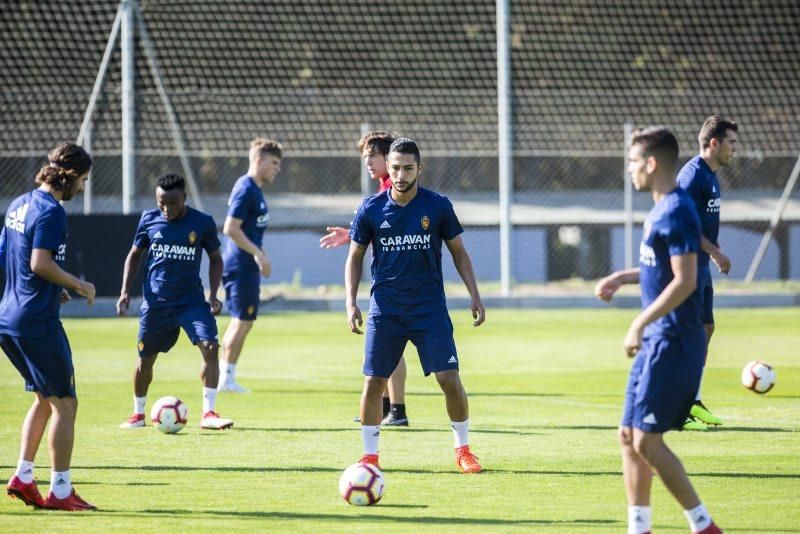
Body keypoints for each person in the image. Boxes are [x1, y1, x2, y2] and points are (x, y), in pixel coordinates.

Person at [595, 127, 722, 534]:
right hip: (657, 341)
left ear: (651, 164)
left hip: (673, 342)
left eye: (633, 162)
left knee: (648, 441)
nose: (629, 170)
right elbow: (660, 270)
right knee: (627, 436)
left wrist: (638, 321)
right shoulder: (660, 208)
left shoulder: (677, 210)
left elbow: (684, 281)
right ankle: (640, 527)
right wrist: (622, 276)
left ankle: (703, 525)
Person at [345, 137, 486, 473]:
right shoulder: (371, 209)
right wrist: (350, 302)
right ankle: (369, 457)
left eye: (408, 168)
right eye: (395, 167)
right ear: (388, 169)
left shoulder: (437, 206)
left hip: (429, 309)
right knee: (373, 381)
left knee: (449, 378)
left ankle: (463, 450)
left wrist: (475, 295)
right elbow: (354, 257)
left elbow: (459, 253)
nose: (401, 174)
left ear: (419, 169)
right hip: (386, 310)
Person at [2, 143, 98, 511]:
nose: (84, 187)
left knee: (44, 399)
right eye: (85, 180)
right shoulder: (52, 211)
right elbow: (39, 262)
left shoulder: (18, 204)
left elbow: (8, 256)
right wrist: (77, 283)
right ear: (71, 176)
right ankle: (60, 491)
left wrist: (49, 289)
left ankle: (24, 477)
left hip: (9, 319)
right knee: (66, 404)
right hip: (35, 323)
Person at [117, 173, 232, 430]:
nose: (166, 209)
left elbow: (216, 258)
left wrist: (214, 294)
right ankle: (137, 414)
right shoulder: (148, 219)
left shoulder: (202, 222)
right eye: (161, 203)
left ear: (184, 198)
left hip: (191, 301)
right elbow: (134, 255)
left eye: (172, 203)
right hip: (156, 303)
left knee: (211, 347)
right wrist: (125, 291)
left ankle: (209, 413)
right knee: (145, 359)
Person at [321, 131, 411, 426]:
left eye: (374, 156)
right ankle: (385, 407)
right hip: (384, 280)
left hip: (398, 281)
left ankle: (397, 410)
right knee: (385, 345)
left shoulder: (396, 190)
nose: (369, 162)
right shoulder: (380, 191)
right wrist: (350, 235)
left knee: (391, 345)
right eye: (365, 157)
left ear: (390, 158)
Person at [676, 116, 738, 431]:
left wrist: (713, 251)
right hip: (686, 264)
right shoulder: (692, 176)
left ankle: (692, 400)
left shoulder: (711, 176)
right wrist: (715, 252)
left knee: (706, 328)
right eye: (731, 143)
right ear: (714, 143)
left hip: (701, 262)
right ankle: (678, 404)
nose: (734, 150)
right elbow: (682, 224)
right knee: (689, 333)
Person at [217, 138, 282, 393]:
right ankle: (225, 379)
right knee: (241, 320)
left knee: (244, 320)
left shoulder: (256, 190)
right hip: (239, 264)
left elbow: (249, 232)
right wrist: (257, 254)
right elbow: (230, 228)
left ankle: (226, 377)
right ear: (259, 160)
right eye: (274, 163)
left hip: (247, 264)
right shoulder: (245, 188)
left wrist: (261, 255)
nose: (277, 168)